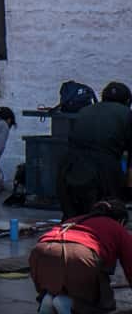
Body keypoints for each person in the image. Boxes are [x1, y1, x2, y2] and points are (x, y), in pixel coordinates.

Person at [30, 199, 132, 314]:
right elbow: (130, 264)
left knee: (60, 281)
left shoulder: (73, 220)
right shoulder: (117, 227)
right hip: (79, 254)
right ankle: (68, 303)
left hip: (40, 252)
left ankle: (48, 298)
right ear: (121, 220)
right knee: (104, 302)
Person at [57, 83, 132, 219]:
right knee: (105, 218)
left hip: (68, 168)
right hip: (102, 171)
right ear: (127, 101)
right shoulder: (127, 114)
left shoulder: (86, 110)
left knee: (73, 219)